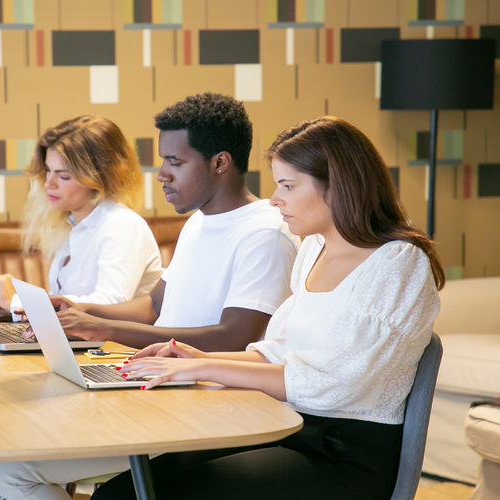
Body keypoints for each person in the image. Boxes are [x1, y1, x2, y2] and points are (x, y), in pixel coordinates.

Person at [93, 116, 446, 500]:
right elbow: (280, 351)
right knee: (124, 490)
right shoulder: (314, 248)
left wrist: (202, 367)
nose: (275, 198)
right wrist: (193, 357)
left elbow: (338, 386)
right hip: (286, 427)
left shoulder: (399, 263)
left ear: (339, 186)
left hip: (343, 456)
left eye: (288, 186)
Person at [0, 93, 299, 500]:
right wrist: (85, 309)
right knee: (1, 452)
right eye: (163, 162)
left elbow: (234, 337)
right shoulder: (199, 222)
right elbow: (155, 306)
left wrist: (103, 327)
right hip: (159, 383)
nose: (161, 174)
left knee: (12, 469)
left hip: (206, 404)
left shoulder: (264, 233)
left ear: (220, 162)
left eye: (175, 163)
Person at [0, 114, 163, 316]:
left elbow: (110, 304)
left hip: (119, 346)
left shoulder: (122, 225)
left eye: (64, 175)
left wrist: (17, 302)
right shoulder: (74, 224)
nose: (48, 183)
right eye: (48, 170)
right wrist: (15, 295)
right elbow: (64, 302)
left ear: (100, 176)